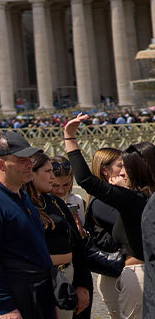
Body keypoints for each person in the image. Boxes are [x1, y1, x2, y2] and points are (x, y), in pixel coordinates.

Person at [64, 115, 153, 319]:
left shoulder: (133, 199)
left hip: (138, 273)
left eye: (125, 168)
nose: (122, 173)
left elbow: (86, 179)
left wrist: (69, 138)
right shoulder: (144, 197)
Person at [0, 131, 55, 319]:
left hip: (37, 293)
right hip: (13, 297)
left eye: (30, 159)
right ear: (1, 164)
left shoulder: (21, 195)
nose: (29, 164)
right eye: (21, 160)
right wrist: (5, 305)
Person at [23, 151, 91, 319]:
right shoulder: (20, 204)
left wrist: (82, 284)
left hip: (66, 275)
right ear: (31, 173)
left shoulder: (55, 202)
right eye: (48, 172)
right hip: (40, 279)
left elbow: (77, 245)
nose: (52, 178)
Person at [85, 147, 125, 319]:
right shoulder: (100, 202)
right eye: (120, 166)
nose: (124, 171)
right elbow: (134, 223)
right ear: (105, 170)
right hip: (114, 275)